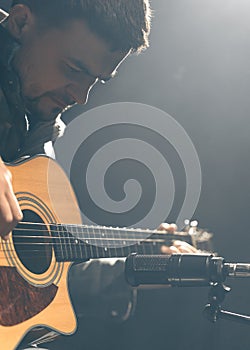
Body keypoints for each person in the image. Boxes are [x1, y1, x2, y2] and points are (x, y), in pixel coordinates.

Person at [0, 1, 198, 349]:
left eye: (95, 80)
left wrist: (131, 273)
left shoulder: (40, 144)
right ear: (20, 22)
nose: (80, 96)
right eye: (73, 69)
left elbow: (36, 281)